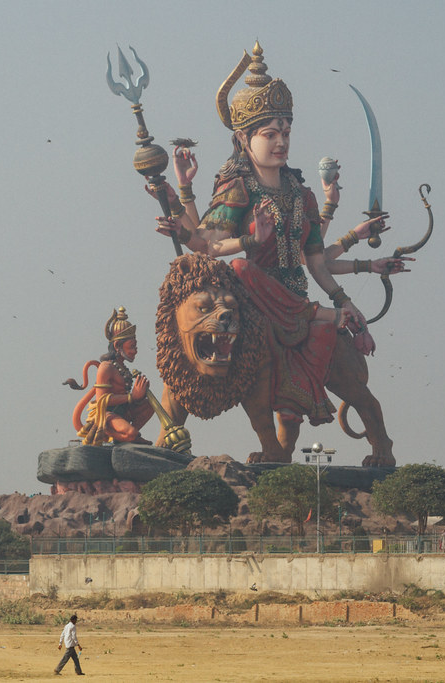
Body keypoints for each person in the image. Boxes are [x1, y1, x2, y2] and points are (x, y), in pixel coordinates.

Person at [149, 41, 411, 443]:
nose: (281, 141)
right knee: (236, 272)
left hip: (295, 299)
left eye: (286, 131)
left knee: (332, 356)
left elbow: (317, 263)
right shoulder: (238, 188)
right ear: (243, 138)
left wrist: (348, 298)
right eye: (270, 133)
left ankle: (335, 436)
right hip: (251, 298)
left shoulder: (301, 194)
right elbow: (205, 246)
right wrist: (192, 203)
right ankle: (173, 433)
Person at [65, 307, 154, 445]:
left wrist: (140, 395)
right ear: (118, 345)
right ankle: (121, 436)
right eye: (132, 346)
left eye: (135, 346)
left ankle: (130, 435)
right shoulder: (106, 367)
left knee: (150, 404)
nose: (135, 351)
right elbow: (101, 400)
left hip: (123, 411)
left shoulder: (122, 368)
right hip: (105, 415)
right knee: (131, 434)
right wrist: (132, 397)